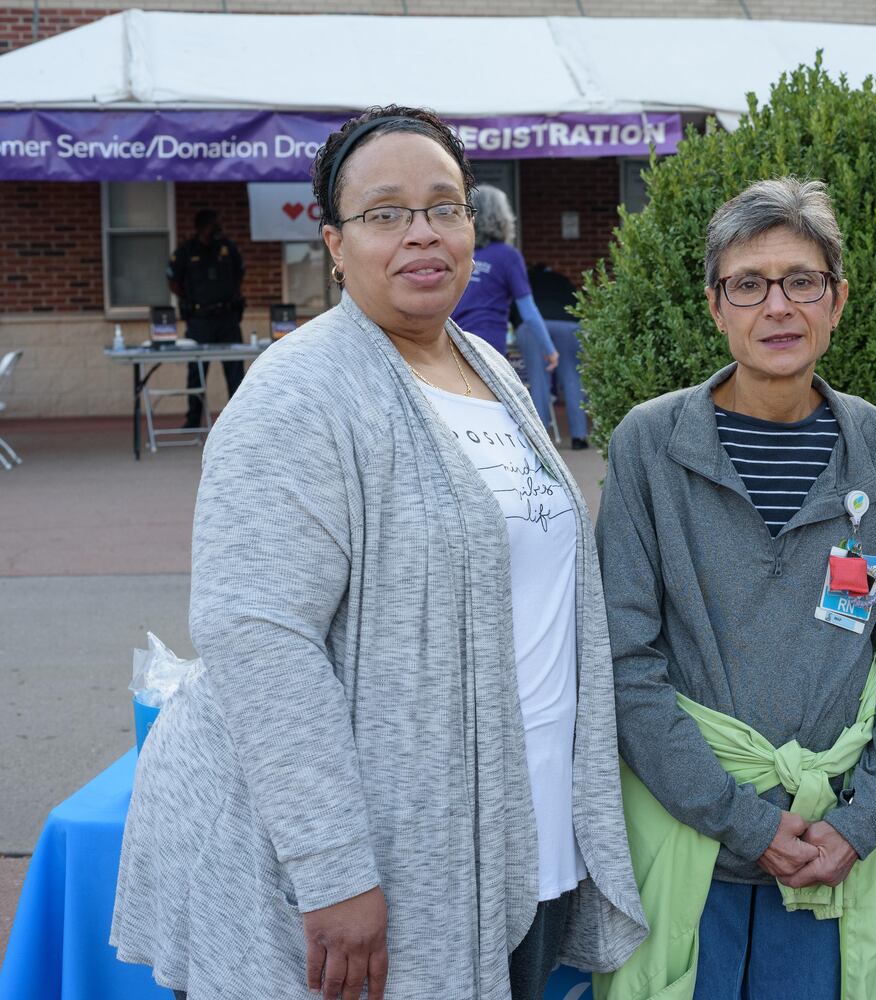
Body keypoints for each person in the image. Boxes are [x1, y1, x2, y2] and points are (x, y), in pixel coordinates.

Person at [112, 105, 646, 1000]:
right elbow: (259, 636)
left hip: (515, 827)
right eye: (386, 213)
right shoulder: (299, 394)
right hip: (361, 866)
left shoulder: (489, 366)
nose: (422, 234)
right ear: (334, 241)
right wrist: (334, 869)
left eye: (445, 206)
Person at [594, 177, 876, 1000]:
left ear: (837, 300)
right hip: (688, 838)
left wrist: (861, 821)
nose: (777, 306)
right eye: (749, 284)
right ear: (716, 306)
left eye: (801, 281)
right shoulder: (650, 446)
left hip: (831, 850)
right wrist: (744, 821)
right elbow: (623, 659)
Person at [451, 185, 561, 431]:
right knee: (488, 413)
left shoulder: (459, 253)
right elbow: (528, 311)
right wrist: (549, 349)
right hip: (489, 345)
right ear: (502, 216)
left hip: (450, 341)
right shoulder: (507, 256)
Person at [167, 209, 245, 428]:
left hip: (227, 318)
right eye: (213, 225)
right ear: (201, 227)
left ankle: (239, 421)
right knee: (196, 372)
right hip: (200, 320)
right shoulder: (186, 251)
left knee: (235, 372)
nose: (217, 229)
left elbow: (239, 274)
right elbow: (173, 281)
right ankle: (193, 419)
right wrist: (191, 300)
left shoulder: (228, 249)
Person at [522, 262, 590, 449]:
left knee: (539, 381)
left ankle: (540, 440)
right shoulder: (562, 280)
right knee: (572, 379)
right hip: (569, 324)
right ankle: (579, 437)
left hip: (535, 326)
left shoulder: (526, 280)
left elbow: (518, 307)